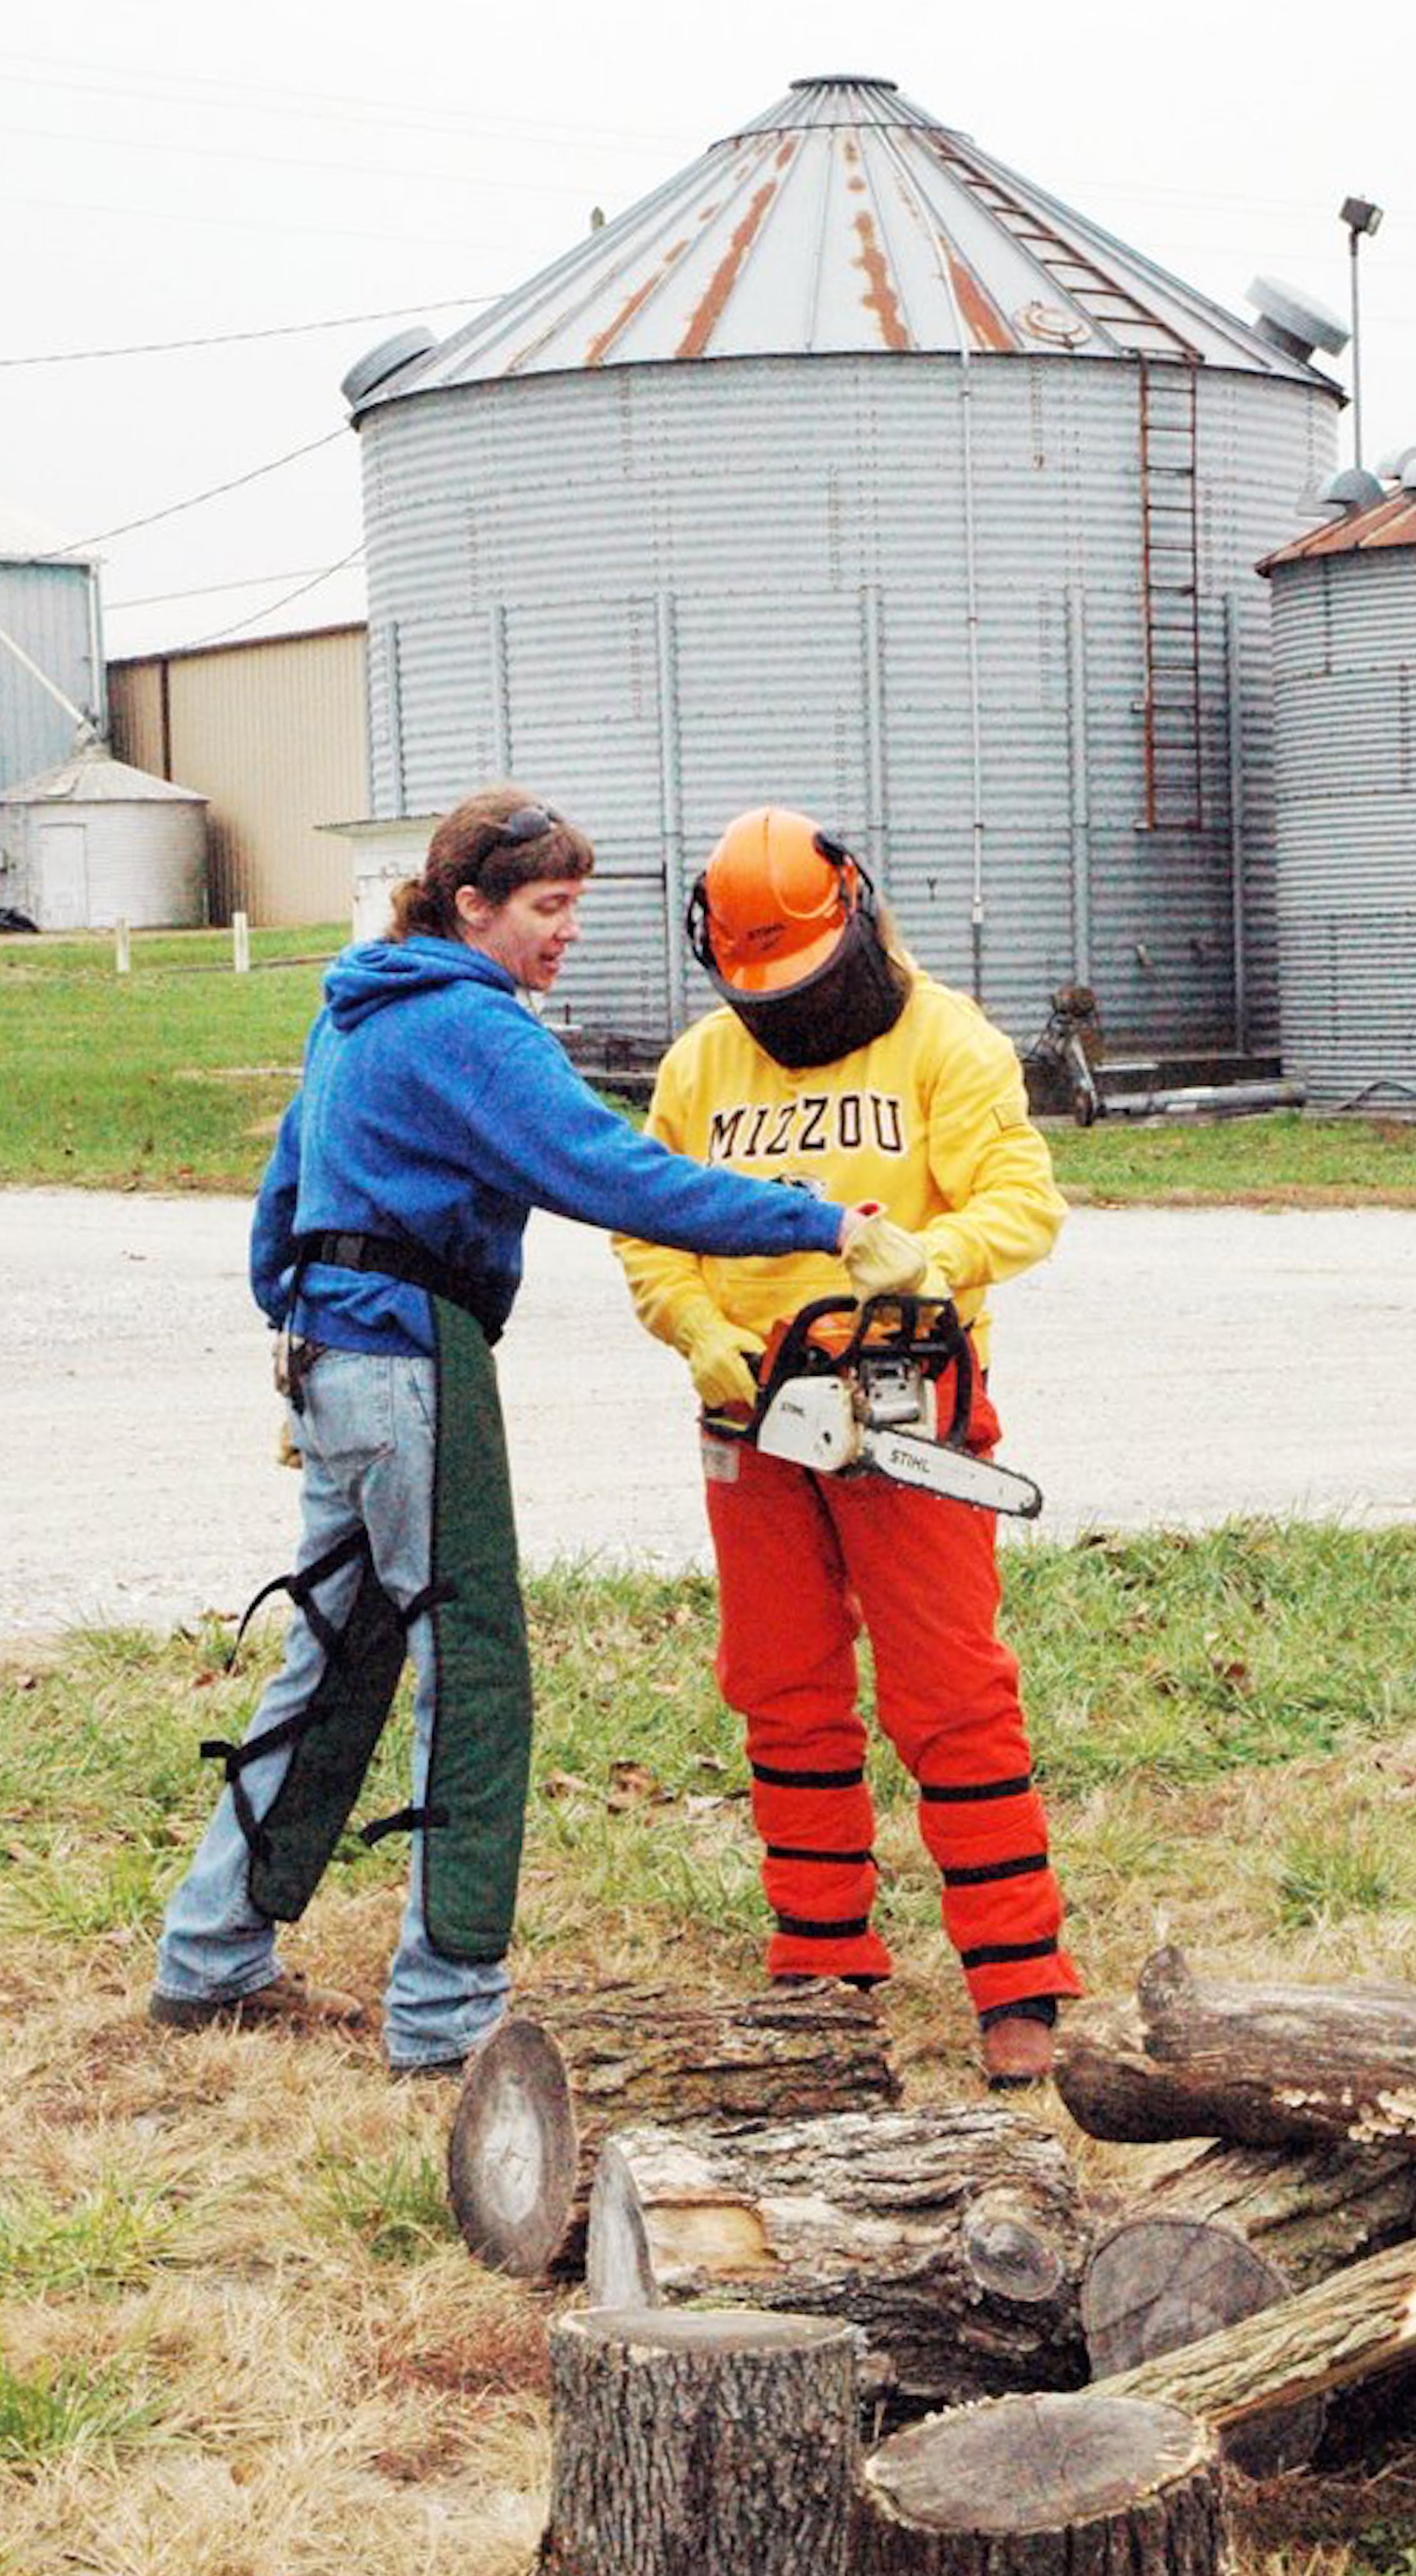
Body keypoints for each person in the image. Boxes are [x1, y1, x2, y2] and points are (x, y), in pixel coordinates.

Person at [149, 786, 907, 2076]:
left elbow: (286, 1187)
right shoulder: (468, 1024)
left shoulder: (361, 1006)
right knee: (475, 1664)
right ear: (471, 906)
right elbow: (608, 1174)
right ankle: (447, 2011)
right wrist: (816, 1220)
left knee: (332, 1657)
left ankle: (210, 1953)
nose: (567, 935)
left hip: (338, 1352)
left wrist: (299, 1336)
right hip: (411, 1358)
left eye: (577, 908)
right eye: (549, 909)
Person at [614, 807, 1083, 2086]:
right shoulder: (702, 1066)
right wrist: (695, 1326)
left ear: (855, 923)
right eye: (761, 985)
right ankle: (820, 1958)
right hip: (747, 1402)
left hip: (904, 1391)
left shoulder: (948, 1040)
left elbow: (1024, 1200)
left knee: (949, 1684)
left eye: (804, 980)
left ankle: (1017, 1971)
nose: (786, 1006)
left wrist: (939, 1258)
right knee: (782, 1677)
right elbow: (642, 1219)